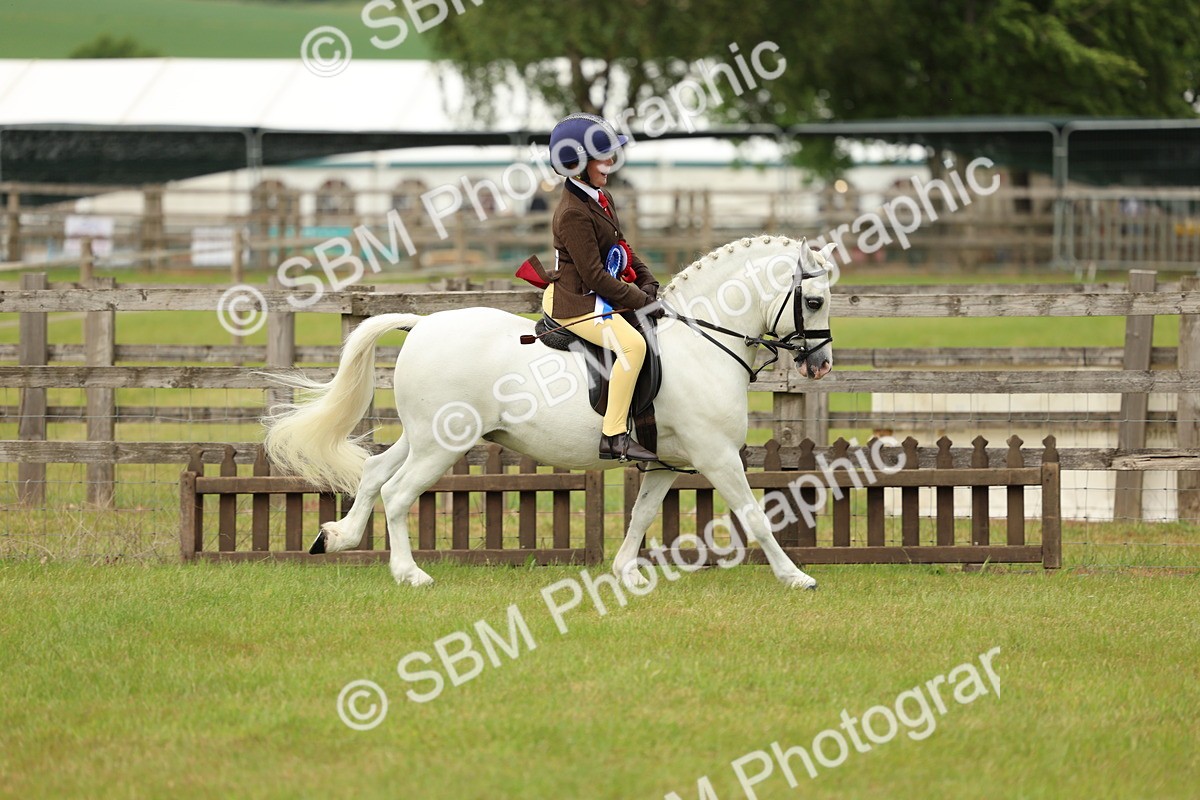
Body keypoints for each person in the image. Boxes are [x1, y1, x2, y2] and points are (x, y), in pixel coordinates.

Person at [544, 113, 661, 462]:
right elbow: (595, 276)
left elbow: (621, 247)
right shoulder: (572, 213)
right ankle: (614, 435)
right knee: (633, 347)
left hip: (596, 296)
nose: (610, 161)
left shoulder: (599, 196)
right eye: (602, 156)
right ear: (577, 164)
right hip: (576, 302)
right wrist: (640, 300)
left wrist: (647, 279)